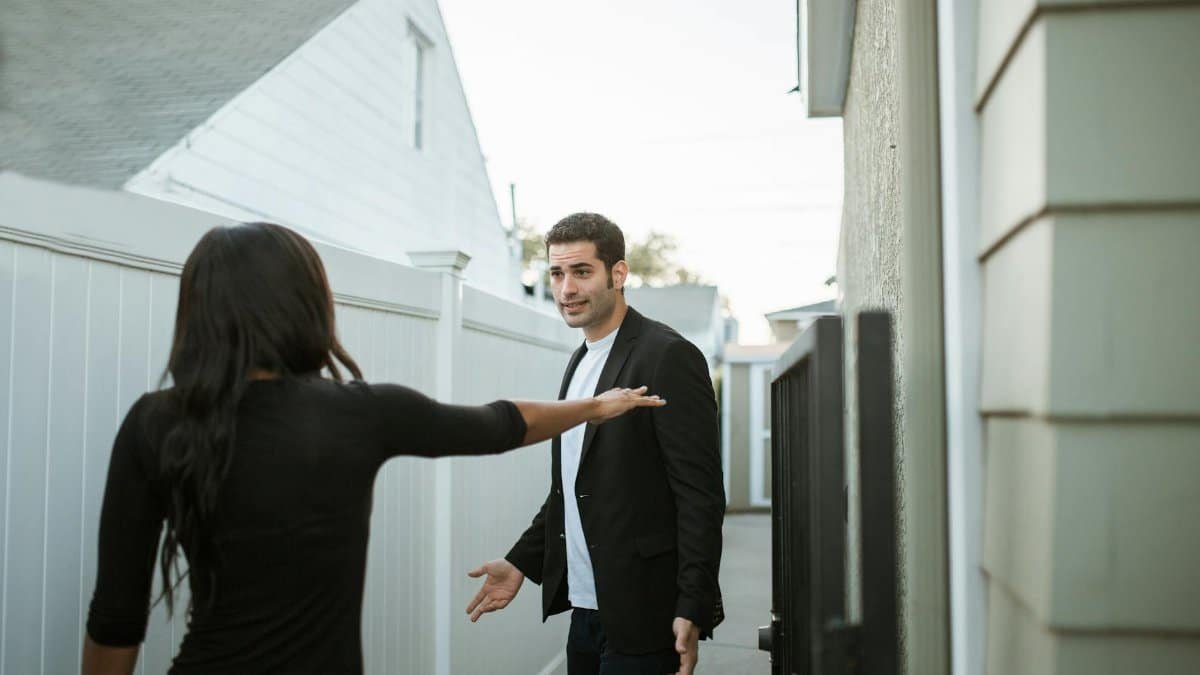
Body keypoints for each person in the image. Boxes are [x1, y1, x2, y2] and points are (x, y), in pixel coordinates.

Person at [82, 222, 665, 675]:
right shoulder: (357, 413)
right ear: (304, 304)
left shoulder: (156, 423)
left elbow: (115, 616)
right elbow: (499, 424)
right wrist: (593, 406)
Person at [466, 213, 725, 675]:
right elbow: (573, 485)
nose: (566, 289)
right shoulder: (580, 360)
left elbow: (699, 495)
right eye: (557, 273)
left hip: (646, 612)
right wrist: (520, 563)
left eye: (581, 272)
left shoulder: (667, 355)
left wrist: (693, 603)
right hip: (586, 608)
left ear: (618, 273)